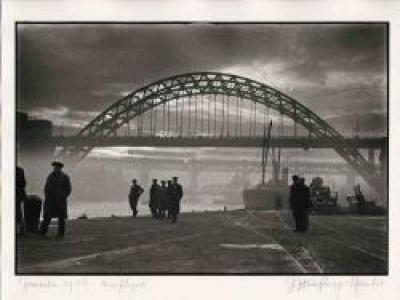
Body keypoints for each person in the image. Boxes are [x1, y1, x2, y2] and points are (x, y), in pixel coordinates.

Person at [40, 161, 71, 238]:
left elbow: (68, 189)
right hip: (51, 200)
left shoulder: (65, 177)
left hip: (60, 200)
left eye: (57, 167)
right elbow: (46, 188)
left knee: (61, 218)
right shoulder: (51, 176)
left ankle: (60, 234)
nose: (55, 169)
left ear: (60, 168)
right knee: (47, 216)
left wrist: (63, 195)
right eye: (55, 167)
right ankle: (43, 232)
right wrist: (48, 196)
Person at [16, 166, 27, 236]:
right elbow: (23, 183)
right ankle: (21, 231)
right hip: (18, 195)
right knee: (18, 213)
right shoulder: (20, 170)